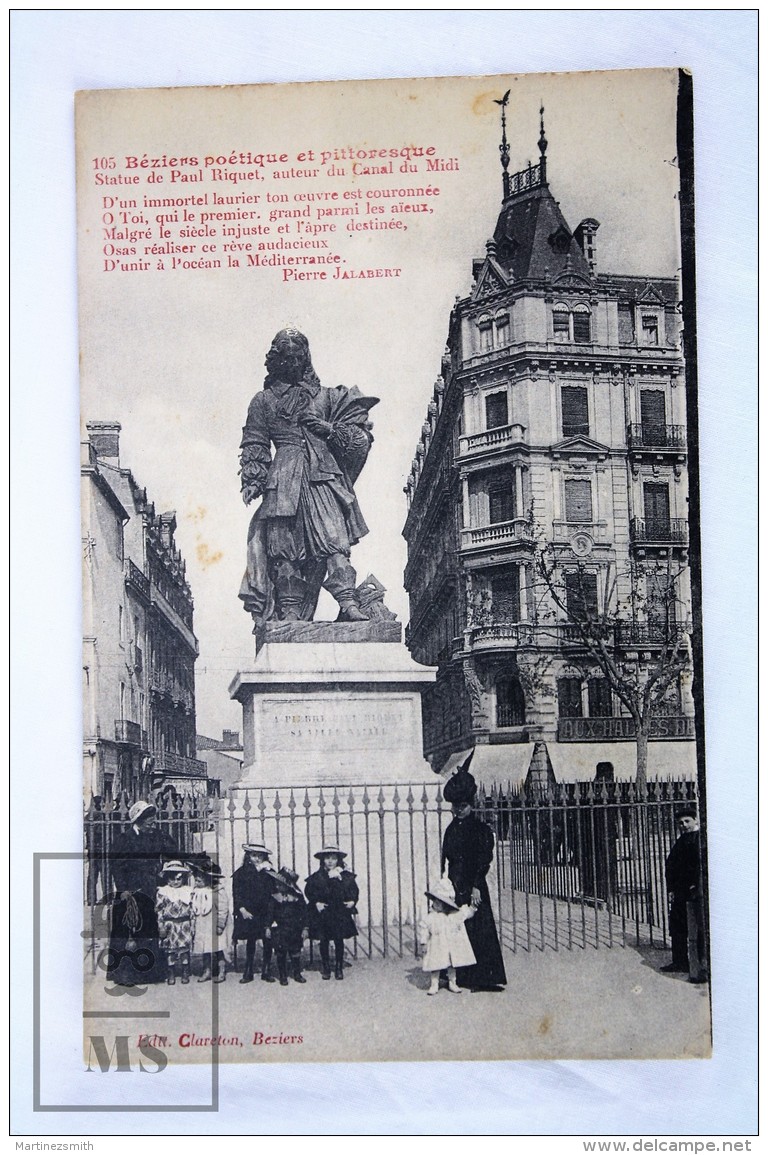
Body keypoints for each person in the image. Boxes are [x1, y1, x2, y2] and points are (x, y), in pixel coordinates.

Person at [238, 327, 379, 629]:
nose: (290, 365)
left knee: (334, 541)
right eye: (284, 359)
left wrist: (326, 429)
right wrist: (253, 478)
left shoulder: (329, 396)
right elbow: (255, 441)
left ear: (305, 360)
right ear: (276, 362)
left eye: (296, 359)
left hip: (323, 476)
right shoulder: (262, 401)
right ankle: (289, 612)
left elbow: (360, 438)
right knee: (284, 549)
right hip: (283, 478)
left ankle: (349, 602)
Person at [441, 757, 507, 992]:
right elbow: (447, 858)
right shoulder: (450, 829)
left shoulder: (480, 829)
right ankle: (459, 975)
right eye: (455, 806)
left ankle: (483, 978)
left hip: (473, 884)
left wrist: (477, 886)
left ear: (471, 805)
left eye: (462, 806)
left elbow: (482, 859)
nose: (458, 810)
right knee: (457, 930)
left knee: (478, 929)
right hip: (455, 885)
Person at [107, 800, 177, 985]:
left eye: (153, 818)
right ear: (137, 820)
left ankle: (149, 973)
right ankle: (125, 974)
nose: (152, 822)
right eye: (148, 819)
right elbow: (116, 866)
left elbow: (172, 850)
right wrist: (122, 890)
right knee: (128, 932)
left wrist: (163, 872)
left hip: (150, 888)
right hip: (129, 890)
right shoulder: (124, 839)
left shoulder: (156, 836)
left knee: (148, 930)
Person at [663, 807, 708, 984]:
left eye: (687, 821)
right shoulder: (682, 839)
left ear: (696, 820)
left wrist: (695, 887)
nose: (683, 825)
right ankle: (679, 961)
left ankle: (699, 967)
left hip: (694, 892)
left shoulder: (700, 839)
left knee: (696, 929)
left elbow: (699, 866)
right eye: (680, 823)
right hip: (680, 891)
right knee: (677, 926)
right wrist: (672, 889)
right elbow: (672, 864)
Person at [305, 846, 359, 980]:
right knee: (323, 940)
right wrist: (316, 902)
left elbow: (354, 890)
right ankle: (326, 967)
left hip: (339, 912)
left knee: (338, 940)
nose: (330, 861)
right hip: (323, 913)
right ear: (322, 860)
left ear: (338, 860)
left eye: (333, 858)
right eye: (327, 858)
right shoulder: (317, 876)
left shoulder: (344, 875)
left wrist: (352, 901)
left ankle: (338, 968)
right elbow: (309, 891)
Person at [420, 876, 476, 996]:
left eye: (441, 902)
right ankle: (434, 984)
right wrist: (423, 942)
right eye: (435, 901)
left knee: (451, 964)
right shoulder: (431, 917)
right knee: (435, 965)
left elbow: (464, 914)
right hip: (436, 945)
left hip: (450, 946)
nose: (436, 904)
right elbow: (424, 928)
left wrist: (473, 907)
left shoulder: (452, 916)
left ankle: (452, 982)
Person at [232, 843, 278, 983]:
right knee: (251, 940)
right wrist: (242, 909)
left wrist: (272, 913)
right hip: (249, 912)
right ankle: (248, 970)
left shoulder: (269, 872)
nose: (256, 859)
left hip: (265, 911)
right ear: (248, 856)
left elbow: (273, 894)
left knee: (267, 939)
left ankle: (266, 970)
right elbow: (237, 893)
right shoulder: (241, 873)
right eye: (253, 855)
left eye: (260, 856)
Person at [265, 867, 308, 986]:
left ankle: (297, 973)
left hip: (295, 929)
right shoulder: (274, 898)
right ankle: (283, 975)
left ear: (289, 885)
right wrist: (267, 927)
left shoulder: (298, 897)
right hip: (280, 929)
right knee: (281, 952)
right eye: (277, 884)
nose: (278, 886)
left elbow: (304, 913)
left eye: (281, 884)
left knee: (295, 952)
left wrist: (305, 928)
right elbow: (270, 914)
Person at [156, 861, 196, 985]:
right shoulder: (163, 892)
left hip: (184, 924)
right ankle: (171, 972)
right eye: (172, 879)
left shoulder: (188, 891)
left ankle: (185, 971)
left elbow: (192, 909)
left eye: (178, 879)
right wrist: (160, 925)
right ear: (167, 879)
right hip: (169, 924)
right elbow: (159, 910)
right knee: (170, 950)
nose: (175, 882)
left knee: (184, 950)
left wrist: (193, 924)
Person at [191, 855, 229, 983]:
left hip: (213, 925)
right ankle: (206, 970)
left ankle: (222, 969)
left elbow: (223, 908)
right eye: (196, 879)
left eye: (199, 880)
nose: (196, 882)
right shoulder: (196, 892)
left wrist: (220, 924)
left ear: (209, 879)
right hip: (201, 925)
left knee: (217, 948)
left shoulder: (217, 891)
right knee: (204, 949)